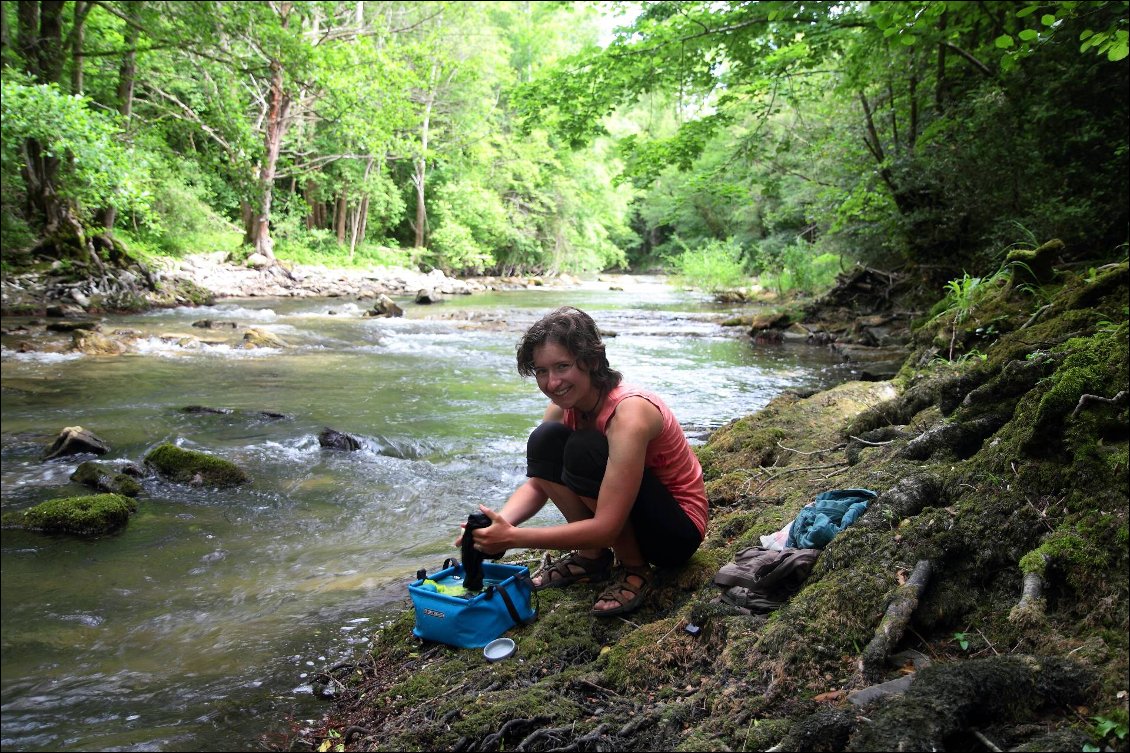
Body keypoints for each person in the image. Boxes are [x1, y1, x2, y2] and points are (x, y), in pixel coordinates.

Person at [459, 306, 708, 617]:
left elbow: (606, 527)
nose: (552, 383)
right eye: (541, 371)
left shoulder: (629, 413)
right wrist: (499, 527)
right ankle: (592, 558)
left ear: (591, 361)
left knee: (584, 449)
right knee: (544, 438)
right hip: (626, 516)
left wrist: (514, 538)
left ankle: (635, 569)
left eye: (562, 366)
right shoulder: (563, 407)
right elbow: (540, 483)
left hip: (674, 534)